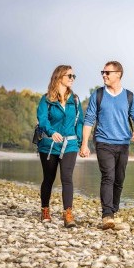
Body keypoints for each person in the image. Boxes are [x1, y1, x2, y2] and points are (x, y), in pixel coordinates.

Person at [80, 61, 134, 230]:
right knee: (108, 176)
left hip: (123, 144)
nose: (104, 75)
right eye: (103, 72)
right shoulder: (98, 95)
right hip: (103, 142)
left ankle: (113, 210)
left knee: (119, 179)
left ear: (118, 74)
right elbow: (89, 120)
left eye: (107, 72)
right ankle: (107, 214)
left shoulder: (129, 96)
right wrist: (84, 144)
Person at [36, 65, 83, 228]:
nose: (72, 78)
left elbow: (80, 121)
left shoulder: (75, 100)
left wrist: (79, 141)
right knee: (48, 178)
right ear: (59, 77)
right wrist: (50, 132)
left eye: (73, 76)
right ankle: (45, 210)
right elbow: (42, 120)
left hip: (70, 145)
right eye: (69, 75)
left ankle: (68, 214)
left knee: (67, 178)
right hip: (49, 145)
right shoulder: (46, 100)